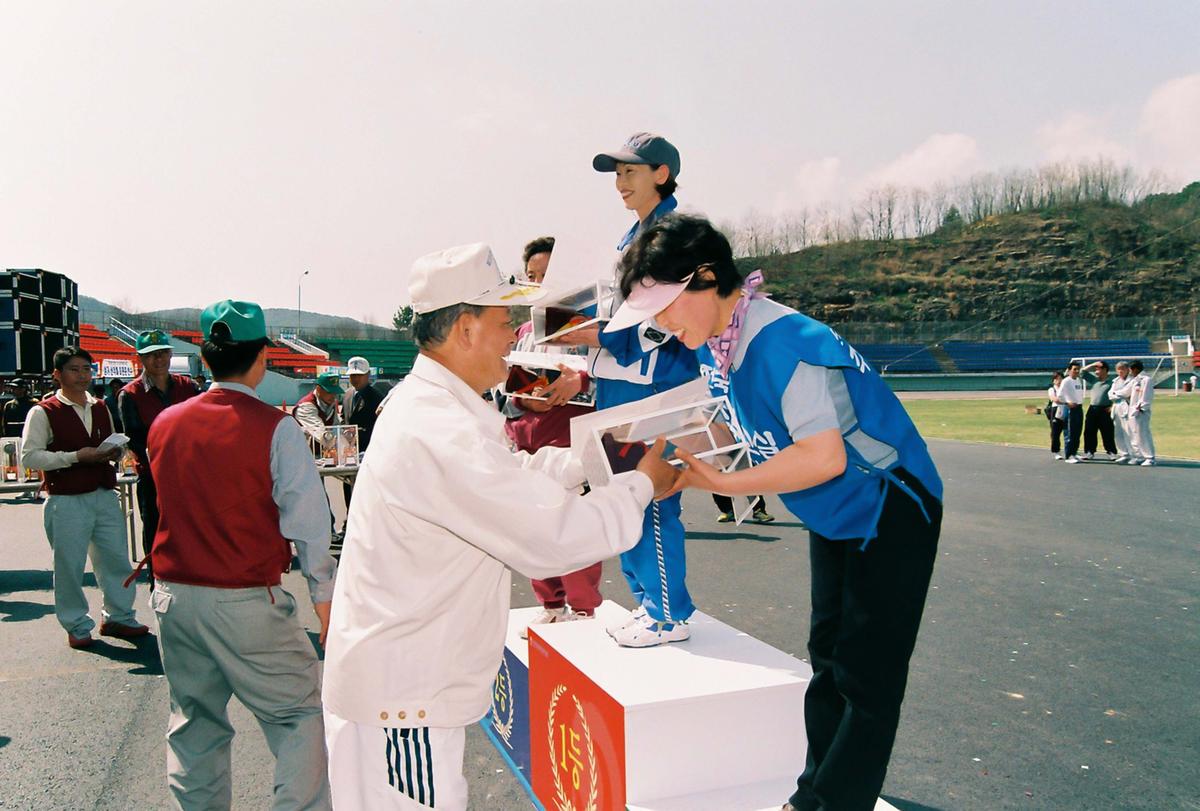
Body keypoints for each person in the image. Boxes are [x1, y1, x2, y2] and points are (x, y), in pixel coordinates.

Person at [321, 243, 677, 811]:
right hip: (404, 704)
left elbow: (508, 476)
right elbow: (550, 540)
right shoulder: (441, 426)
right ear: (465, 329)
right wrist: (642, 485)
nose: (516, 334)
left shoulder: (437, 407)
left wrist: (587, 463)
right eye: (504, 319)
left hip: (400, 693)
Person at [609, 214, 943, 811]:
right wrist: (663, 448)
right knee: (828, 659)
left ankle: (830, 804)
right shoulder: (718, 341)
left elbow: (824, 456)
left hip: (891, 503)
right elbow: (727, 420)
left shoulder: (784, 341)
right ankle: (814, 792)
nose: (660, 323)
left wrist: (725, 481)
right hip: (839, 510)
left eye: (664, 305)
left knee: (867, 676)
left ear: (706, 277)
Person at [146, 300, 337, 810]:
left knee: (194, 726)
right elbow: (309, 524)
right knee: (298, 715)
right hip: (245, 596)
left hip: (175, 596)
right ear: (261, 359)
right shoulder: (275, 426)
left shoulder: (164, 422)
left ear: (206, 359)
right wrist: (325, 595)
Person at [551, 132, 700, 647]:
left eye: (630, 172)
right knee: (619, 494)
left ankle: (668, 614)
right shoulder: (631, 236)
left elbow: (670, 321)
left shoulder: (676, 235)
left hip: (654, 386)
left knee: (651, 497)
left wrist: (603, 335)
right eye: (616, 174)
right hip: (618, 383)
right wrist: (583, 342)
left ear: (662, 173)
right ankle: (647, 603)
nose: (620, 183)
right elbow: (622, 313)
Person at [506, 236, 604, 637]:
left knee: (575, 521)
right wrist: (528, 402)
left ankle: (583, 605)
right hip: (530, 433)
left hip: (570, 434)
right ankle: (550, 600)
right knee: (534, 522)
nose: (538, 283)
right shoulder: (522, 332)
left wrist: (577, 382)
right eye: (531, 276)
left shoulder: (588, 327)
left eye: (545, 275)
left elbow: (607, 377)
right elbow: (505, 388)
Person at [20, 347, 148, 648]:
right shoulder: (43, 411)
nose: (82, 376)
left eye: (87, 369)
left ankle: (118, 615)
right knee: (69, 565)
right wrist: (76, 456)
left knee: (115, 559)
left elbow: (113, 444)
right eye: (74, 369)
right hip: (66, 499)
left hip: (103, 494)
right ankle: (76, 623)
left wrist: (114, 453)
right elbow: (30, 457)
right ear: (58, 374)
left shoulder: (101, 406)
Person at [118, 330, 201, 582]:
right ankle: (159, 585)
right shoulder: (129, 395)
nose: (159, 360)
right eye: (151, 355)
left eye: (163, 353)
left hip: (190, 477)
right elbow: (135, 438)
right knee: (156, 535)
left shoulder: (189, 387)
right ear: (140, 359)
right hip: (153, 479)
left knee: (195, 533)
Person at [339, 355, 382, 524]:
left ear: (368, 375)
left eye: (359, 375)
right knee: (348, 488)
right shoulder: (348, 394)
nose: (355, 379)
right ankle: (350, 521)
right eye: (352, 375)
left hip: (369, 452)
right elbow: (344, 419)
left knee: (367, 492)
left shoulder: (377, 397)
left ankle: (366, 524)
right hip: (350, 452)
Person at [1080, 361, 1117, 460]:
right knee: (1089, 431)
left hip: (1105, 409)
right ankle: (1089, 451)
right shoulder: (1094, 380)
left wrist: (1113, 406)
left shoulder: (1111, 383)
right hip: (1093, 409)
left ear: (1105, 370)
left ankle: (1111, 452)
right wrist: (1093, 364)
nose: (1096, 371)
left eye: (1098, 369)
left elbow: (1117, 395)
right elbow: (1081, 372)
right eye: (1095, 369)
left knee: (1107, 432)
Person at [293, 371, 343, 439]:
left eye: (335, 392)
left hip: (322, 448)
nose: (333, 396)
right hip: (305, 448)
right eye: (329, 392)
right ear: (318, 389)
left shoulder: (330, 403)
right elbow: (319, 432)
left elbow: (336, 428)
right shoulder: (305, 406)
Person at [1125, 360, 1156, 466]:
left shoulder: (1146, 380)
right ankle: (1138, 456)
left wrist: (1142, 407)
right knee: (1134, 434)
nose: (1129, 372)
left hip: (1141, 411)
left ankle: (1149, 457)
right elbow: (1126, 391)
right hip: (1132, 411)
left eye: (1130, 370)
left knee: (1143, 434)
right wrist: (1113, 394)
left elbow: (1147, 395)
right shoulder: (1134, 380)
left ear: (1136, 369)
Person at [1108, 361, 1135, 462]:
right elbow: (1110, 394)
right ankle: (1124, 453)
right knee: (1118, 432)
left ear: (1127, 369)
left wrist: (1117, 394)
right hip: (1116, 407)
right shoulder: (1116, 381)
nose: (1120, 371)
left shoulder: (1132, 380)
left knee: (1128, 432)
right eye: (1118, 369)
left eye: (1122, 369)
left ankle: (1133, 455)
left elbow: (1126, 393)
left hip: (1126, 406)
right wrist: (1116, 394)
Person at [1058, 363, 1084, 463]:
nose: (1077, 371)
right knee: (1070, 432)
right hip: (1070, 409)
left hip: (1079, 407)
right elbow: (1060, 395)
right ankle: (1069, 455)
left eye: (1078, 369)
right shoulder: (1066, 381)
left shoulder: (1078, 380)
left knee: (1077, 432)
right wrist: (1067, 402)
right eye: (1074, 369)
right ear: (1069, 370)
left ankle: (1074, 452)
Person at [1046, 371, 1066, 458]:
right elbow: (1054, 399)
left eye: (1061, 378)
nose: (1059, 381)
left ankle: (1071, 450)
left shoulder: (1065, 389)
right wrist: (1065, 401)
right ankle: (1056, 451)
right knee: (1055, 432)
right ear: (1053, 380)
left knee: (1068, 431)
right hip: (1056, 410)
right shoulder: (1052, 389)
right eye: (1057, 379)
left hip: (1065, 409)